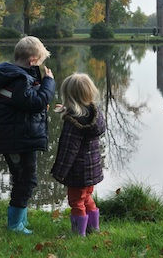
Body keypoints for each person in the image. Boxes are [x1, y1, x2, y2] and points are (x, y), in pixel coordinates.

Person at [0, 36, 55, 235]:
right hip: (18, 140)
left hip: (15, 137)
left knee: (21, 178)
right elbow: (34, 102)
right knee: (27, 180)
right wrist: (48, 83)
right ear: (32, 61)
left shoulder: (11, 76)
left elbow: (25, 103)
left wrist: (38, 89)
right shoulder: (19, 80)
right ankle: (15, 225)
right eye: (40, 62)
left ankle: (19, 221)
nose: (41, 67)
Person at [51, 73, 106, 236]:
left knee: (76, 201)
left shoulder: (73, 123)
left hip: (78, 172)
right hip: (92, 169)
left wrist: (60, 172)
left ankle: (78, 234)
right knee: (87, 197)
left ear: (69, 96)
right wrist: (67, 109)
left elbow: (69, 150)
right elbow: (82, 112)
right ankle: (93, 229)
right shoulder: (95, 114)